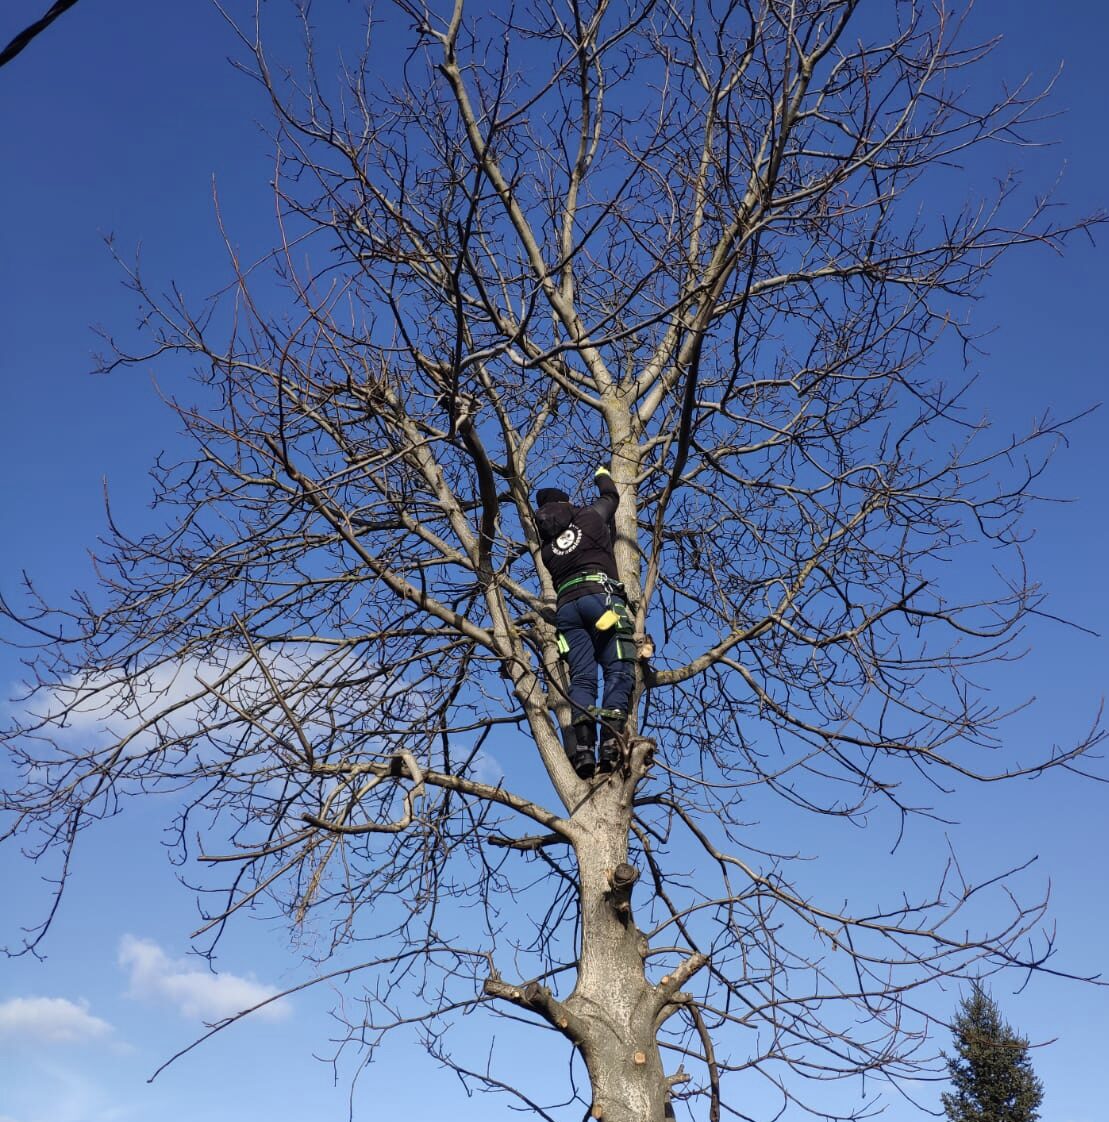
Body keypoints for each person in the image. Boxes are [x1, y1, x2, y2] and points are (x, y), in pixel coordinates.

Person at [534, 466, 636, 779]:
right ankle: (610, 743)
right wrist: (602, 474)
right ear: (567, 505)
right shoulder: (590, 518)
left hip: (567, 610)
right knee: (619, 666)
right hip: (600, 600)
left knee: (582, 680)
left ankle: (582, 751)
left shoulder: (547, 550)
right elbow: (611, 496)